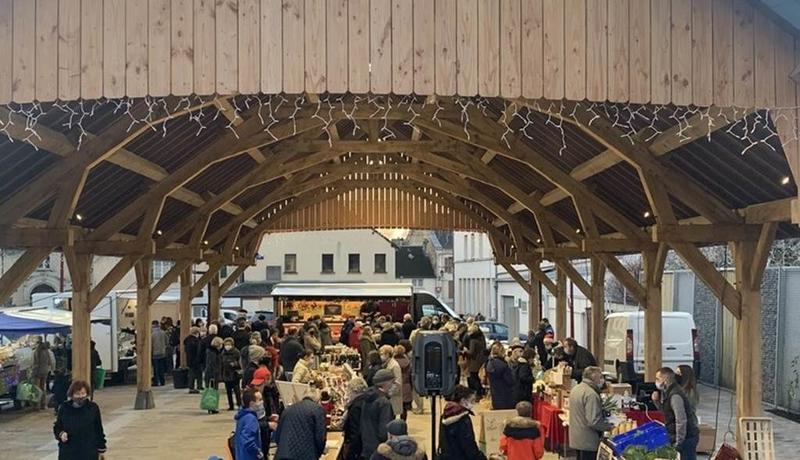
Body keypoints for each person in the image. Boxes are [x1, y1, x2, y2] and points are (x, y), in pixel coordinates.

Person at [53, 380, 107, 460]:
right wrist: (61, 434)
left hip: (88, 450)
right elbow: (57, 426)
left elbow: (98, 428)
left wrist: (101, 447)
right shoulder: (64, 408)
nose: (80, 396)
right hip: (69, 451)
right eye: (77, 394)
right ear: (72, 394)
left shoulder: (92, 408)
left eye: (83, 393)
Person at [653, 367, 699, 460]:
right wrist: (656, 402)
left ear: (665, 380)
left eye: (658, 379)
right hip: (681, 436)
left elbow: (680, 419)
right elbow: (668, 413)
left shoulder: (675, 395)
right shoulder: (669, 392)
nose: (656, 381)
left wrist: (679, 442)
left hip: (687, 438)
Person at [568, 366, 614, 460]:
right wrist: (609, 427)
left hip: (577, 438)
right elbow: (593, 421)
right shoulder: (591, 394)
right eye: (600, 377)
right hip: (588, 440)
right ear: (594, 378)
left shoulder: (576, 389)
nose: (602, 380)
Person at [274, 389, 327, 460]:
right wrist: (319, 454)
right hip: (305, 456)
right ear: (318, 400)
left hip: (282, 456)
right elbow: (320, 437)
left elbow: (278, 437)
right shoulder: (317, 409)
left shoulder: (287, 409)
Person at [438, 385, 486, 460]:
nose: (473, 404)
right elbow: (468, 445)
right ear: (463, 400)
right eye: (472, 400)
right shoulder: (463, 419)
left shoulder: (445, 415)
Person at [360, 369, 397, 459]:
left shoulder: (367, 397)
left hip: (366, 445)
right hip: (379, 449)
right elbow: (384, 431)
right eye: (392, 382)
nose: (393, 385)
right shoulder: (384, 403)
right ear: (386, 383)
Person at [340, 377, 369, 460]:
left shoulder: (356, 407)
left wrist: (350, 453)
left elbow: (355, 432)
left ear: (354, 391)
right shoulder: (366, 401)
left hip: (358, 449)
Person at [234, 387, 265, 460]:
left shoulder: (242, 415)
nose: (262, 402)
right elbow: (247, 440)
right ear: (251, 403)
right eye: (259, 400)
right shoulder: (251, 419)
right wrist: (258, 453)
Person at [485, 342, 515, 410]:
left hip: (495, 395)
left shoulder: (490, 363)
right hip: (506, 396)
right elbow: (510, 381)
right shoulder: (503, 365)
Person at [463, 323, 487, 399]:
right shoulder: (481, 338)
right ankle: (481, 392)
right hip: (481, 359)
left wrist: (465, 351)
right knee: (477, 377)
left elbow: (471, 352)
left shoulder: (473, 341)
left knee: (474, 378)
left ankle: (478, 393)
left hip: (474, 361)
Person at [379, 345, 403, 419]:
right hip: (388, 396)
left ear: (388, 354)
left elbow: (398, 382)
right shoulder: (386, 364)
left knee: (391, 417)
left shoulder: (395, 366)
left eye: (382, 353)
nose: (381, 355)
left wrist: (388, 393)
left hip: (393, 396)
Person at [32, 338, 54, 410]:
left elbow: (34, 363)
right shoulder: (47, 352)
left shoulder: (36, 352)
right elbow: (50, 362)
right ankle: (43, 404)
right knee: (43, 387)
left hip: (37, 371)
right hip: (45, 371)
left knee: (37, 388)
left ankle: (36, 405)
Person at [222, 337, 243, 410]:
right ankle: (231, 405)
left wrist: (235, 364)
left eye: (229, 344)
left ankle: (239, 404)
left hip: (234, 374)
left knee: (237, 391)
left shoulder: (236, 352)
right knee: (228, 391)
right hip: (226, 374)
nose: (227, 346)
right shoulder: (223, 352)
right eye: (226, 344)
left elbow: (240, 363)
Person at [205, 336, 224, 414]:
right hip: (212, 374)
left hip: (212, 373)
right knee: (213, 392)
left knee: (212, 391)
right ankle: (212, 407)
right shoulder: (213, 353)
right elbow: (212, 364)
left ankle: (212, 407)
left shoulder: (211, 351)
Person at [394, 345, 413, 421]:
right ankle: (403, 423)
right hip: (406, 386)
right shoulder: (408, 362)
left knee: (393, 408)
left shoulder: (393, 363)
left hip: (395, 387)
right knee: (404, 409)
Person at [184, 326, 204, 393]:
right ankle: (199, 385)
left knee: (191, 373)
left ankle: (191, 387)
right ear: (197, 333)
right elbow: (199, 351)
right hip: (196, 359)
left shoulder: (187, 340)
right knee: (198, 373)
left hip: (189, 359)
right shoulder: (196, 341)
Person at [150, 320, 168, 387]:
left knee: (156, 369)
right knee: (161, 368)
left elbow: (150, 344)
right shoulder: (163, 332)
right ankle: (162, 381)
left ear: (153, 325)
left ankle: (156, 382)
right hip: (162, 353)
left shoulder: (152, 334)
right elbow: (167, 342)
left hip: (155, 353)